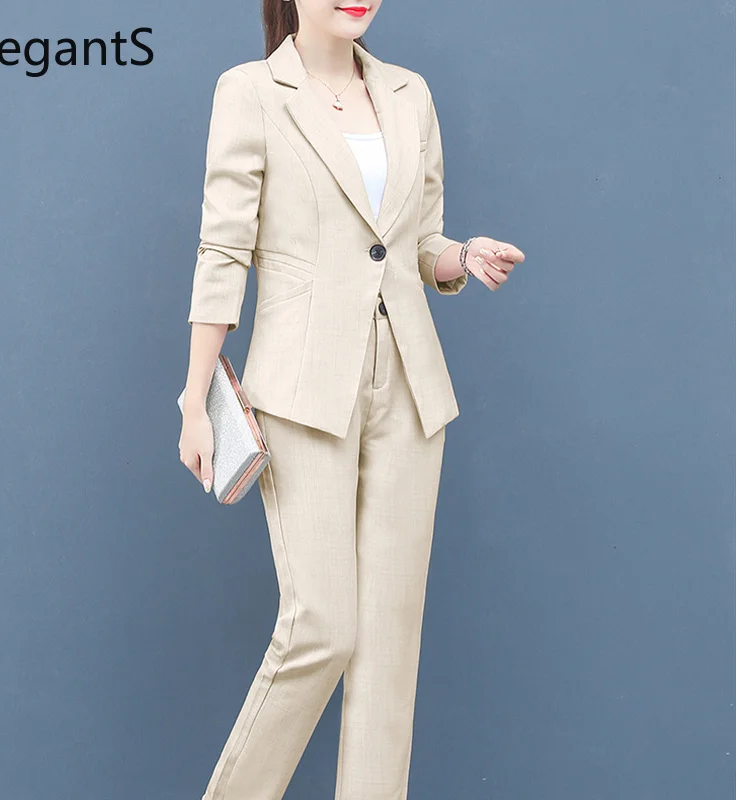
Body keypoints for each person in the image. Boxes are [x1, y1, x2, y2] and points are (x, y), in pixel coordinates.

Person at [178, 2, 525, 798]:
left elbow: (417, 244)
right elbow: (224, 248)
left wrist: (463, 256)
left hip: (410, 388)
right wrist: (195, 399)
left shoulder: (410, 94)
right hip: (302, 390)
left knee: (388, 648)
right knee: (322, 627)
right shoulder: (250, 91)